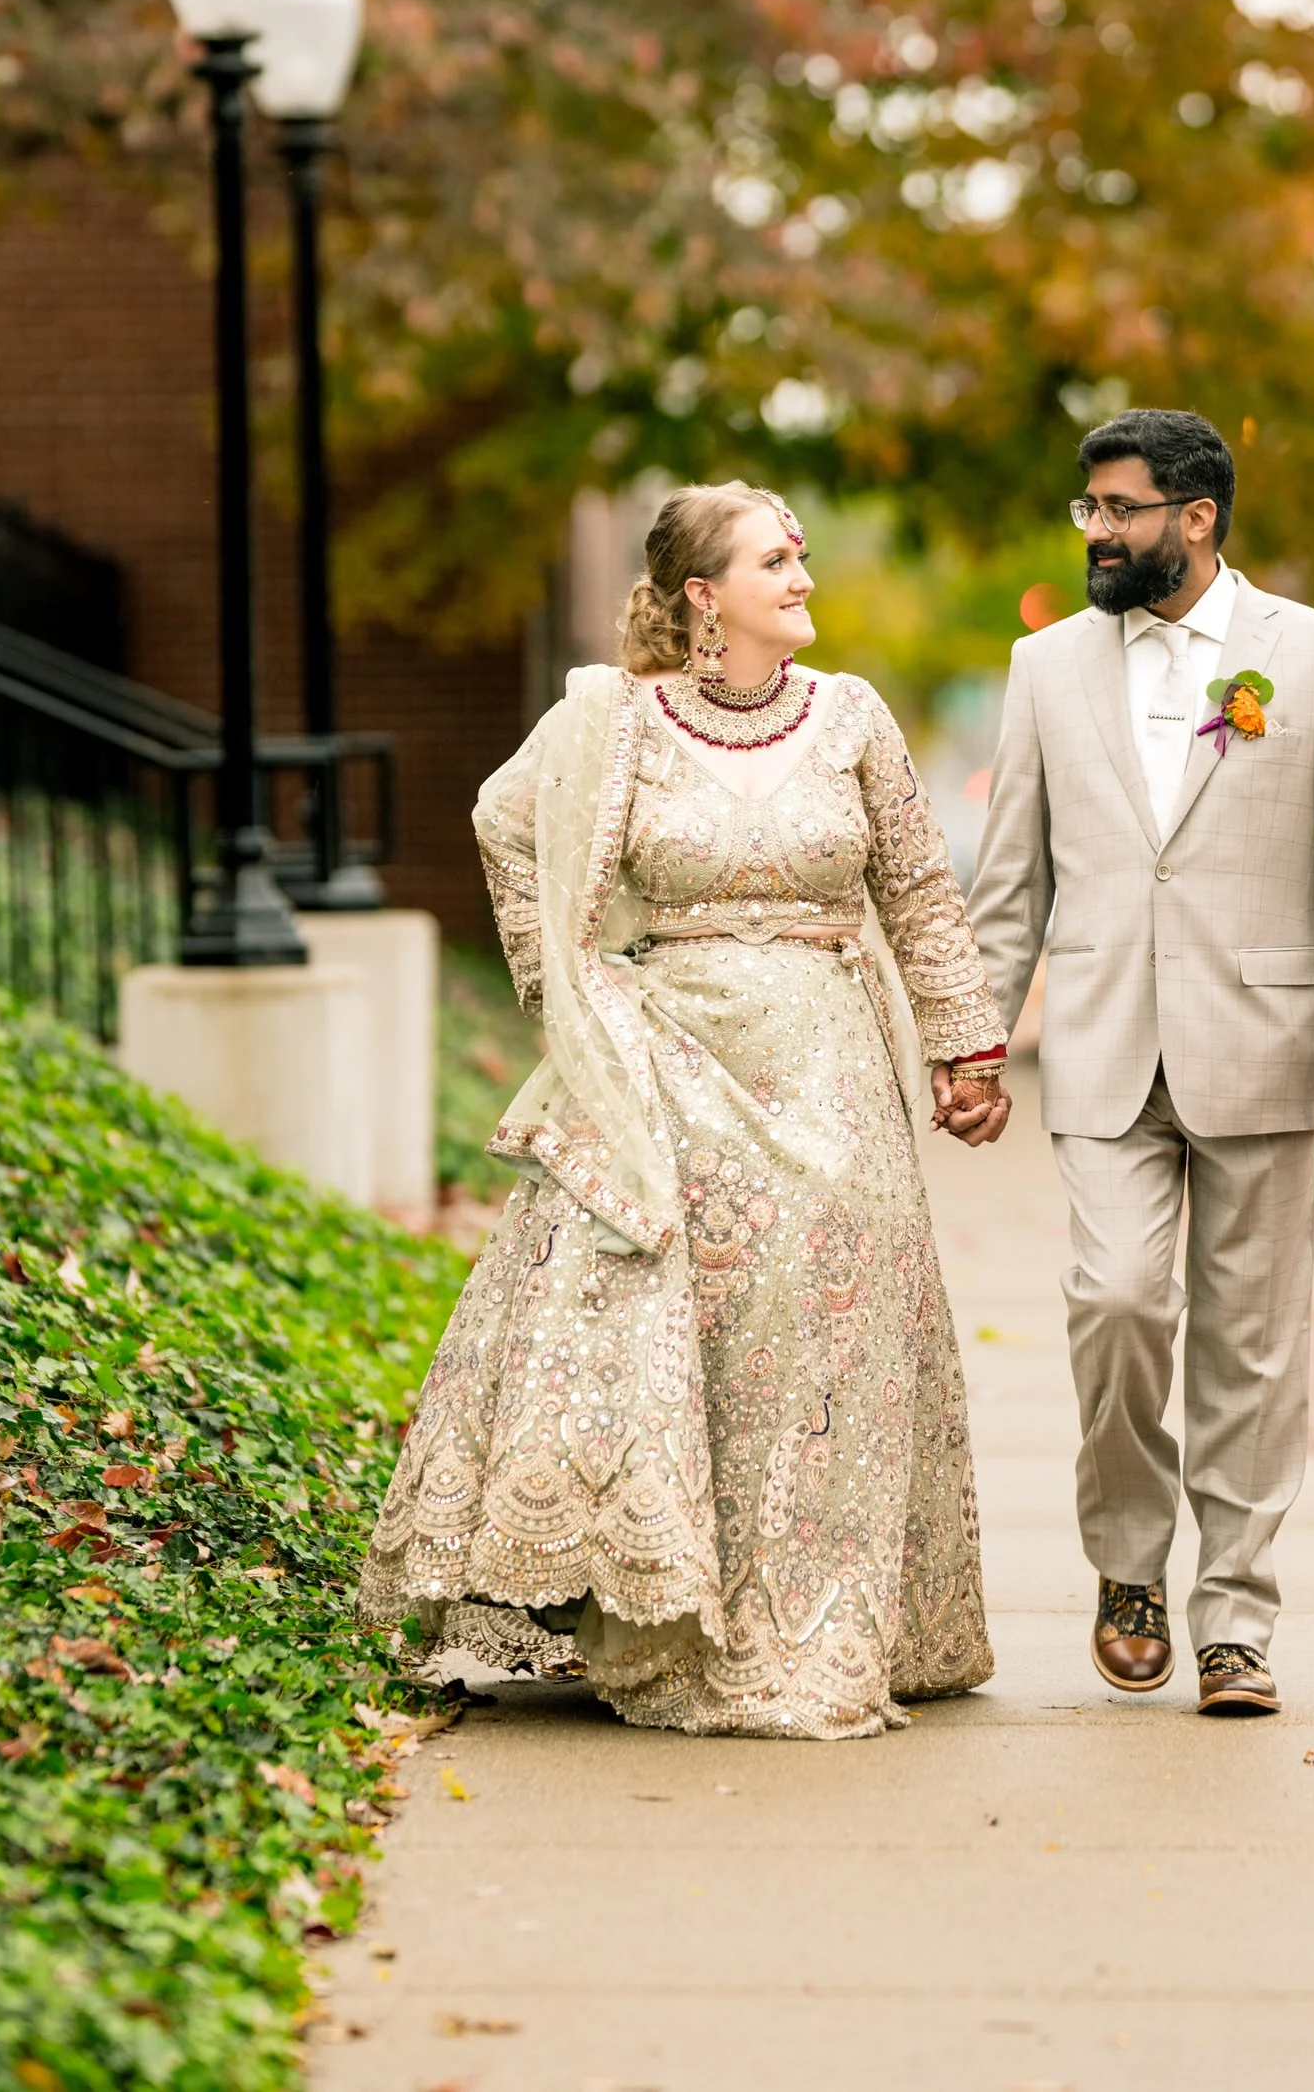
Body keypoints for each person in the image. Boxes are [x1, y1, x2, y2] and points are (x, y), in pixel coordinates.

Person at [357, 481, 1011, 1739]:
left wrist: (962, 1047)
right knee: (705, 1343)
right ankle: (682, 1613)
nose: (803, 577)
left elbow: (920, 889)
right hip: (670, 1068)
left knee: (832, 1349)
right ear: (704, 595)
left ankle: (826, 1625)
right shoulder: (616, 723)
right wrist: (571, 991)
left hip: (831, 1073)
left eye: (802, 554)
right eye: (776, 560)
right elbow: (504, 825)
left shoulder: (851, 716)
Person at [967, 409, 1314, 1715]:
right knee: (1113, 1301)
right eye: (1085, 511)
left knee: (1249, 1348)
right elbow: (1009, 886)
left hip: (1263, 1041)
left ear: (1193, 518)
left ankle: (1232, 1622)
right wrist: (978, 1042)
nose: (1093, 532)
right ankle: (1124, 1567)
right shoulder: (1041, 665)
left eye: (1116, 510)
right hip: (1101, 1049)